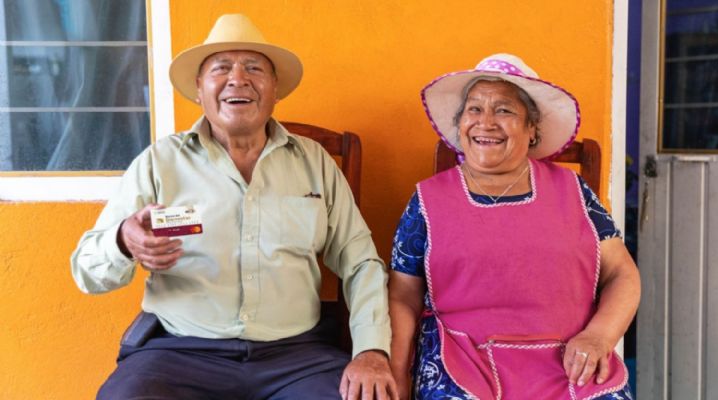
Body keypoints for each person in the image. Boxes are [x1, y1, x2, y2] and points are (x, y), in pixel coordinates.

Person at [71, 14, 397, 400]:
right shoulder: (159, 162)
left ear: (275, 89)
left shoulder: (314, 162)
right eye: (221, 68)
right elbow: (87, 272)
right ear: (198, 89)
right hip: (180, 354)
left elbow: (360, 262)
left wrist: (372, 350)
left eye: (254, 68)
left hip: (296, 356)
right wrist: (124, 241)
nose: (238, 79)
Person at [388, 54, 641, 399]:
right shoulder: (427, 200)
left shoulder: (574, 191)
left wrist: (599, 336)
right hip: (463, 362)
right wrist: (398, 373)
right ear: (460, 123)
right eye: (474, 109)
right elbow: (403, 294)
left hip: (570, 362)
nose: (485, 122)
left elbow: (622, 274)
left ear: (532, 129)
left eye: (504, 110)